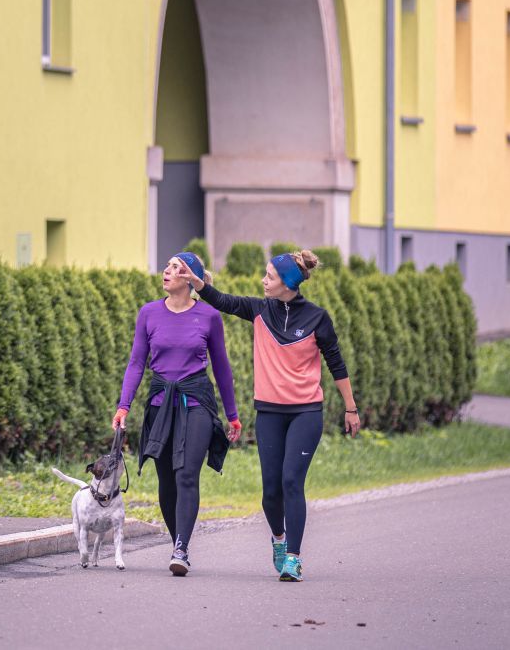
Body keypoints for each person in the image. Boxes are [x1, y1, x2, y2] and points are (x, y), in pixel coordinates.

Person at [177, 249, 361, 583]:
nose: (263, 281)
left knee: (292, 480)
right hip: (269, 413)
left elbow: (336, 363)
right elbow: (224, 300)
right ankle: (279, 539)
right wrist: (198, 284)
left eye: (270, 277)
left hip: (306, 412)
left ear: (287, 284)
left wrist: (351, 408)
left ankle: (294, 558)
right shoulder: (259, 310)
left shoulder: (317, 318)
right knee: (270, 493)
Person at [114, 251, 240, 577]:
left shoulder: (209, 316)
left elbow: (222, 368)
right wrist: (123, 405)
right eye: (167, 266)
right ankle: (177, 543)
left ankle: (181, 548)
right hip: (160, 402)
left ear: (189, 279)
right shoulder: (149, 313)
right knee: (167, 479)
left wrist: (232, 414)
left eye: (175, 268)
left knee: (186, 474)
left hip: (196, 400)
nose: (166, 271)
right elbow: (136, 363)